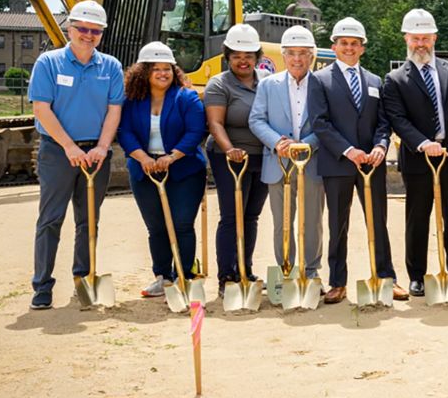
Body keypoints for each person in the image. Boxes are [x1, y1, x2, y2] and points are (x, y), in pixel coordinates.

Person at [26, 0, 123, 310]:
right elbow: (42, 108)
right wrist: (69, 146)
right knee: (50, 220)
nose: (88, 35)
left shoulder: (111, 67)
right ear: (70, 28)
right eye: (82, 28)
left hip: (96, 152)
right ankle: (42, 286)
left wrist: (102, 147)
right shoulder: (49, 63)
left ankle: (83, 277)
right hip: (57, 151)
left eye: (95, 31)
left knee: (88, 221)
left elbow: (114, 110)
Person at [382, 9, 448, 297]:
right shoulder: (395, 79)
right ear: (406, 39)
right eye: (415, 38)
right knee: (417, 217)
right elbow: (398, 120)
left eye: (425, 38)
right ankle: (416, 275)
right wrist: (422, 143)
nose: (421, 44)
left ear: (434, 38)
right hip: (418, 158)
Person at [309, 17, 408, 304]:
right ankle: (337, 282)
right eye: (344, 43)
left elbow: (383, 121)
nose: (349, 48)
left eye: (355, 44)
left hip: (371, 164)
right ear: (334, 46)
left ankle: (385, 277)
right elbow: (320, 123)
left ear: (362, 48)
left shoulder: (375, 81)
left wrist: (380, 145)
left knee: (378, 221)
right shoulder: (320, 79)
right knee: (337, 224)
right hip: (338, 163)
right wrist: (348, 150)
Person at [118, 42, 208, 296]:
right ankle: (162, 276)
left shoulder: (186, 97)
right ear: (144, 72)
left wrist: (172, 156)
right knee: (156, 227)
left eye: (167, 68)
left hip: (183, 170)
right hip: (145, 170)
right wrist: (143, 158)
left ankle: (184, 276)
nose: (162, 73)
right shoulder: (132, 100)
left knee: (181, 224)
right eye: (156, 69)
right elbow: (125, 132)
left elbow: (195, 131)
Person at [249, 25, 325, 285]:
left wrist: (307, 144)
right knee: (282, 222)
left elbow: (329, 123)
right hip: (278, 163)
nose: (297, 59)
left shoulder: (322, 84)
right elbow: (257, 119)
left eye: (303, 53)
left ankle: (312, 271)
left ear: (311, 56)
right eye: (291, 53)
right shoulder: (268, 85)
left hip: (311, 163)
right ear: (283, 56)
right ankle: (286, 271)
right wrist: (277, 142)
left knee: (312, 221)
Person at [205, 24, 270, 295]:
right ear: (228, 57)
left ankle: (246, 268)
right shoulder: (219, 84)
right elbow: (216, 123)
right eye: (236, 56)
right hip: (229, 158)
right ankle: (227, 277)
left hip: (262, 156)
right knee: (232, 217)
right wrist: (230, 148)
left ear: (257, 56)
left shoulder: (266, 82)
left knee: (252, 216)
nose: (243, 61)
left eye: (248, 55)